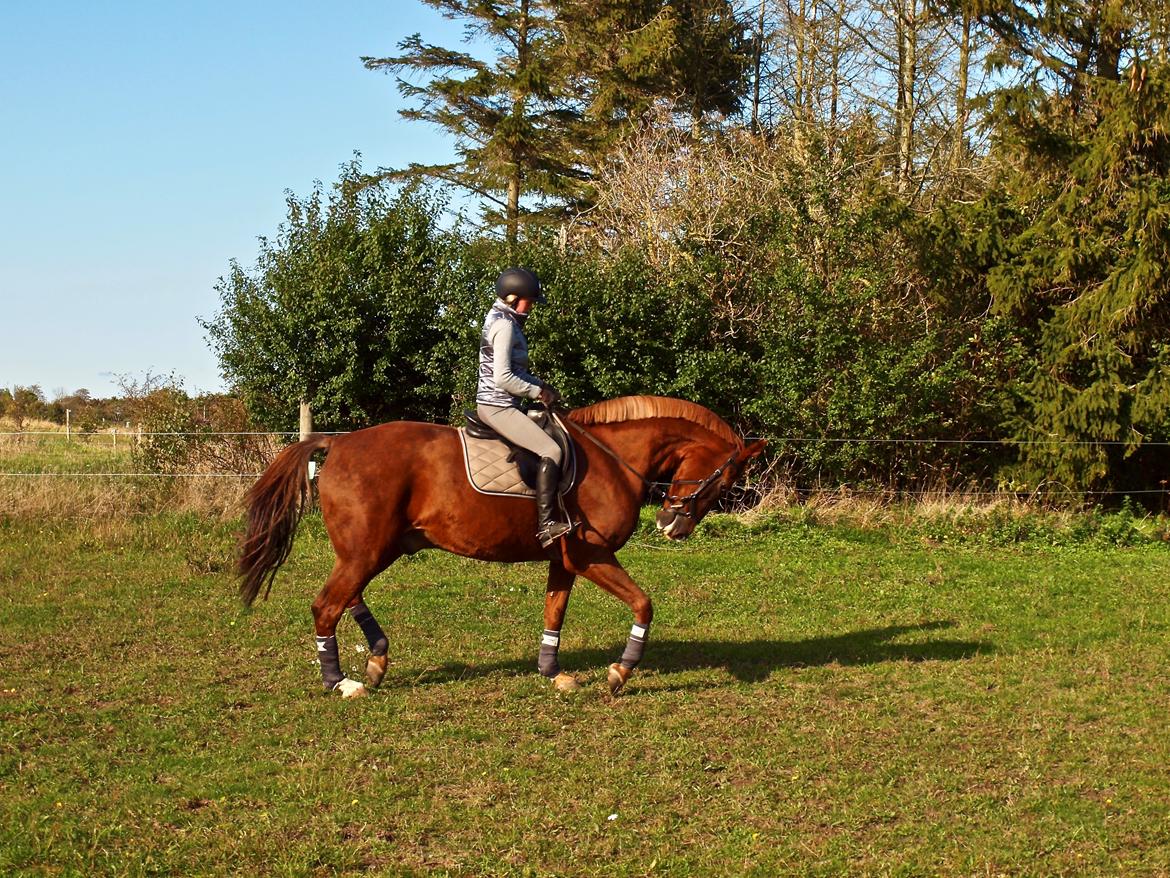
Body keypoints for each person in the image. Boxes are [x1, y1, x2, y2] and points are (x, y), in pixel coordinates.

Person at [476, 267, 572, 547]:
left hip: (503, 403)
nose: (531, 307)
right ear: (512, 298)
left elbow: (515, 370)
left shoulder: (502, 319)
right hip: (498, 406)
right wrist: (536, 391)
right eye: (529, 301)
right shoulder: (505, 326)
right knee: (551, 449)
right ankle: (547, 525)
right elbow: (503, 377)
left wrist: (542, 386)